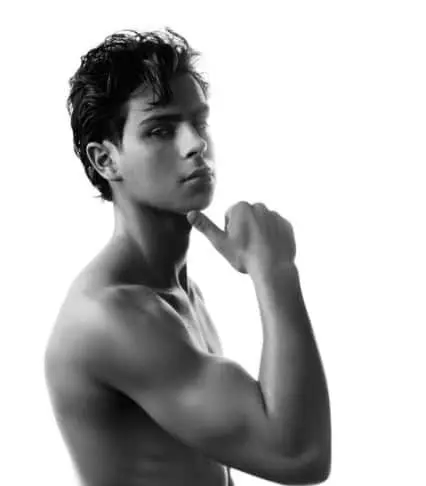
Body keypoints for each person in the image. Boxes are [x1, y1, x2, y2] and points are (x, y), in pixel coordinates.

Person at [44, 28, 331, 486]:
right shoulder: (113, 314)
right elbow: (299, 456)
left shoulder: (176, 289)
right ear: (106, 160)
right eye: (160, 130)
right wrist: (275, 271)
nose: (195, 143)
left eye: (199, 122)